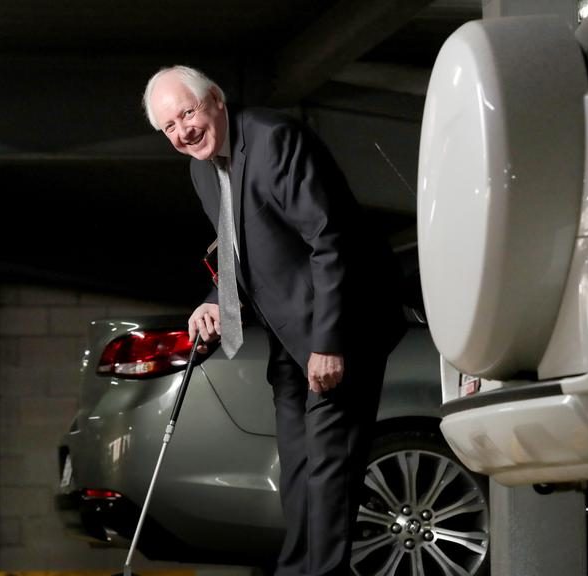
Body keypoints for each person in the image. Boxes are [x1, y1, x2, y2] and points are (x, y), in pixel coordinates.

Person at [143, 65, 406, 576]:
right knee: (299, 466)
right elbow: (239, 247)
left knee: (330, 466)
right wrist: (215, 298)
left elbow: (331, 242)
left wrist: (330, 344)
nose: (183, 132)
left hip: (343, 326)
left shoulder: (273, 141)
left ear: (215, 99)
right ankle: (297, 570)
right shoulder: (201, 168)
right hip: (288, 332)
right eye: (169, 127)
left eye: (188, 114)